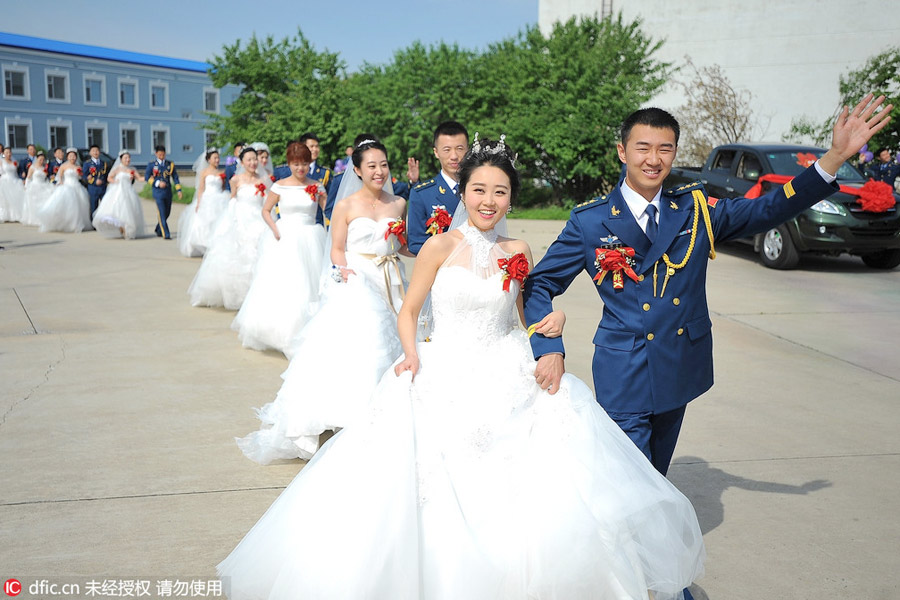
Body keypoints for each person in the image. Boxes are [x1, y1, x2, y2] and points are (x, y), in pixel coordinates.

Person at [218, 137, 706, 600]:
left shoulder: (519, 252)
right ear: (464, 191)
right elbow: (409, 311)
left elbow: (525, 313)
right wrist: (410, 355)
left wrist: (550, 324)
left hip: (507, 365)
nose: (488, 201)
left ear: (511, 198)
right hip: (446, 365)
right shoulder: (439, 247)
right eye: (479, 190)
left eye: (500, 191)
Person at [524, 94, 893, 478]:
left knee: (656, 478)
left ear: (675, 153)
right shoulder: (591, 221)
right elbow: (539, 284)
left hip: (679, 363)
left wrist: (832, 158)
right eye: (643, 148)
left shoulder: (695, 209)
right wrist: (548, 346)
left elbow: (767, 209)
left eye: (665, 149)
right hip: (624, 370)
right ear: (622, 151)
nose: (654, 159)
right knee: (629, 480)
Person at [235, 138, 408, 464]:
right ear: (356, 170)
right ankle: (354, 417)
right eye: (371, 166)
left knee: (397, 340)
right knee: (364, 342)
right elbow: (337, 248)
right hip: (357, 278)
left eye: (383, 164)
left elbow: (400, 244)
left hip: (389, 277)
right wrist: (346, 272)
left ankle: (386, 418)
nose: (379, 171)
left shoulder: (398, 203)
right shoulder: (346, 205)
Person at [231, 142, 327, 354]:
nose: (300, 168)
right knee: (286, 283)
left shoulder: (317, 186)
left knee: (310, 284)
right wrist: (275, 228)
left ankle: (308, 331)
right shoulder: (279, 185)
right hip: (285, 237)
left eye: (304, 164)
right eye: (295, 164)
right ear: (289, 164)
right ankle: (282, 333)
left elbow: (327, 211)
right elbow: (266, 210)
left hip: (311, 236)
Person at [188, 147, 268, 309]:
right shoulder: (235, 180)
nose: (253, 162)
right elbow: (233, 199)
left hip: (259, 220)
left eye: (255, 159)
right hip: (241, 219)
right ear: (242, 162)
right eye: (249, 160)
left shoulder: (264, 179)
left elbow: (267, 203)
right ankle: (238, 295)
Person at [407, 120, 469, 255]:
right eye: (447, 150)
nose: (454, 156)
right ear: (436, 152)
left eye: (459, 149)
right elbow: (415, 243)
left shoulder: (479, 189)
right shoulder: (422, 194)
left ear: (468, 150)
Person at [178, 149, 228, 257]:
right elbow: (201, 188)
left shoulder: (221, 172)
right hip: (208, 199)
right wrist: (199, 203)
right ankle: (205, 244)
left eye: (218, 158)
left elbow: (223, 187)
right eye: (215, 158)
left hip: (220, 198)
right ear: (209, 160)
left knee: (219, 222)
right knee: (205, 222)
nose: (217, 160)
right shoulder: (204, 172)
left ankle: (215, 245)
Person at [92, 151, 147, 239]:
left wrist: (149, 177)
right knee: (119, 211)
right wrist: (115, 181)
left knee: (129, 211)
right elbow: (109, 178)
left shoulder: (132, 169)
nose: (128, 160)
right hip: (118, 191)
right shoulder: (117, 169)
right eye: (125, 158)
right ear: (121, 159)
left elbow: (139, 178)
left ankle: (126, 229)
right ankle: (122, 228)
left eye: (129, 158)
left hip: (129, 191)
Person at [37, 148, 91, 233]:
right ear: (67, 157)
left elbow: (80, 177)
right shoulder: (64, 166)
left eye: (74, 156)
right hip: (67, 186)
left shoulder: (78, 166)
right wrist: (61, 182)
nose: (72, 158)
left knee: (80, 206)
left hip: (77, 186)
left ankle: (75, 224)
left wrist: (80, 174)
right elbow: (59, 176)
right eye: (70, 156)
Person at [144, 145, 182, 239]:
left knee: (167, 212)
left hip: (168, 192)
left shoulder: (170, 164)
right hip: (158, 192)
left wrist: (179, 190)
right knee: (161, 212)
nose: (161, 155)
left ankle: (158, 228)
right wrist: (157, 183)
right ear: (156, 154)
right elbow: (147, 177)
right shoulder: (152, 165)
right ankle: (166, 234)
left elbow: (175, 177)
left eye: (163, 154)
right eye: (159, 154)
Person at [22, 152, 53, 226]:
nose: (41, 161)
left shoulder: (44, 168)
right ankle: (34, 219)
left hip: (43, 185)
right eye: (40, 159)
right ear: (37, 159)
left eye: (43, 159)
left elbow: (46, 178)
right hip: (34, 186)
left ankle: (42, 218)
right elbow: (28, 178)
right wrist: (26, 187)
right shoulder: (32, 167)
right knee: (34, 202)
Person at [82, 144, 111, 219]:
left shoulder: (103, 163)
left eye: (97, 151)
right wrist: (94, 181)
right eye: (93, 151)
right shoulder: (87, 163)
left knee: (105, 205)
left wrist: (105, 183)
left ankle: (104, 221)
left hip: (102, 187)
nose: (95, 152)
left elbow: (106, 175)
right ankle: (93, 223)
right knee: (93, 206)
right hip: (93, 188)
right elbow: (84, 176)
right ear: (90, 153)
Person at [0, 146, 26, 222]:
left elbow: (16, 172)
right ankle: (5, 215)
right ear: (4, 153)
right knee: (5, 199)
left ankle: (14, 215)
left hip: (14, 180)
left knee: (14, 198)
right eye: (6, 152)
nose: (8, 154)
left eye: (9, 152)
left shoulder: (14, 161)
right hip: (5, 180)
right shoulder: (1, 161)